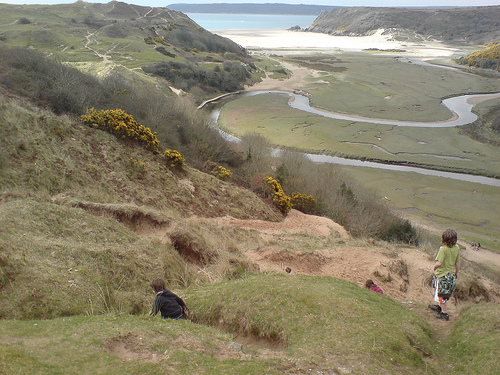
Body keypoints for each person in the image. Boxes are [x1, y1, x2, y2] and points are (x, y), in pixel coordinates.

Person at [428, 228, 461, 321]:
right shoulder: (457, 248)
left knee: (441, 295)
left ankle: (444, 313)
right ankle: (439, 307)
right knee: (442, 293)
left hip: (442, 275)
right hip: (451, 275)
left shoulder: (443, 249)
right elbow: (457, 262)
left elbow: (439, 263)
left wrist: (434, 267)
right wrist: (457, 272)